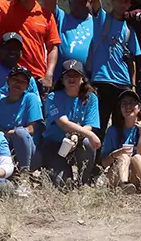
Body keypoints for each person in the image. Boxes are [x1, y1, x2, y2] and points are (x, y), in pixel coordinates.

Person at [41, 60, 102, 188]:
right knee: (63, 185)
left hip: (78, 142)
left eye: (76, 75)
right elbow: (63, 124)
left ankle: (83, 182)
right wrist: (89, 134)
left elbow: (89, 124)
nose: (72, 79)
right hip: (55, 144)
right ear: (62, 80)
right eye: (68, 75)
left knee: (87, 143)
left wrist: (77, 136)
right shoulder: (53, 97)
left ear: (82, 79)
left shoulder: (91, 98)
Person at [0, 66, 45, 187]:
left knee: (20, 133)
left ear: (27, 86)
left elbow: (30, 129)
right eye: (15, 79)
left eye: (23, 82)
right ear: (8, 80)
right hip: (6, 152)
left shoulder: (30, 98)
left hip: (30, 154)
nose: (18, 84)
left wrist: (7, 133)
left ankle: (24, 177)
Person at [100, 91, 141, 193]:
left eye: (132, 103)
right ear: (120, 109)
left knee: (137, 157)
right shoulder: (113, 130)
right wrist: (117, 154)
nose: (128, 106)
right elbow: (104, 163)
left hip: (137, 175)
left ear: (139, 107)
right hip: (116, 176)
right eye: (124, 104)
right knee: (124, 157)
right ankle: (124, 185)